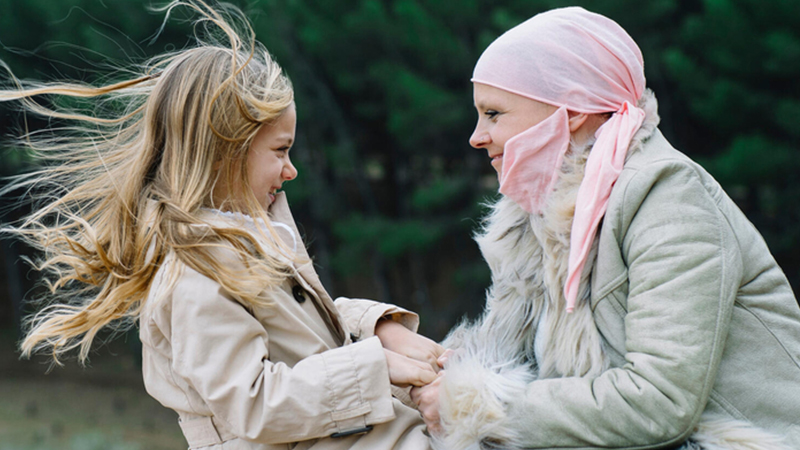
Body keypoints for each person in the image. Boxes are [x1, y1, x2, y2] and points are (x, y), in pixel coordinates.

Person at [2, 2, 442, 449]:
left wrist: (374, 328)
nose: (290, 170)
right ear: (224, 151)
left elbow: (295, 337)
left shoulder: (242, 245)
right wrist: (375, 366)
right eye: (280, 150)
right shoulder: (195, 275)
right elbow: (256, 403)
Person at [410, 7, 800, 450]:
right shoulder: (534, 211)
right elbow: (511, 359)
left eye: (494, 114)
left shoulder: (667, 195)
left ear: (572, 111)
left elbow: (659, 402)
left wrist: (474, 404)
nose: (476, 137)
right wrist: (442, 372)